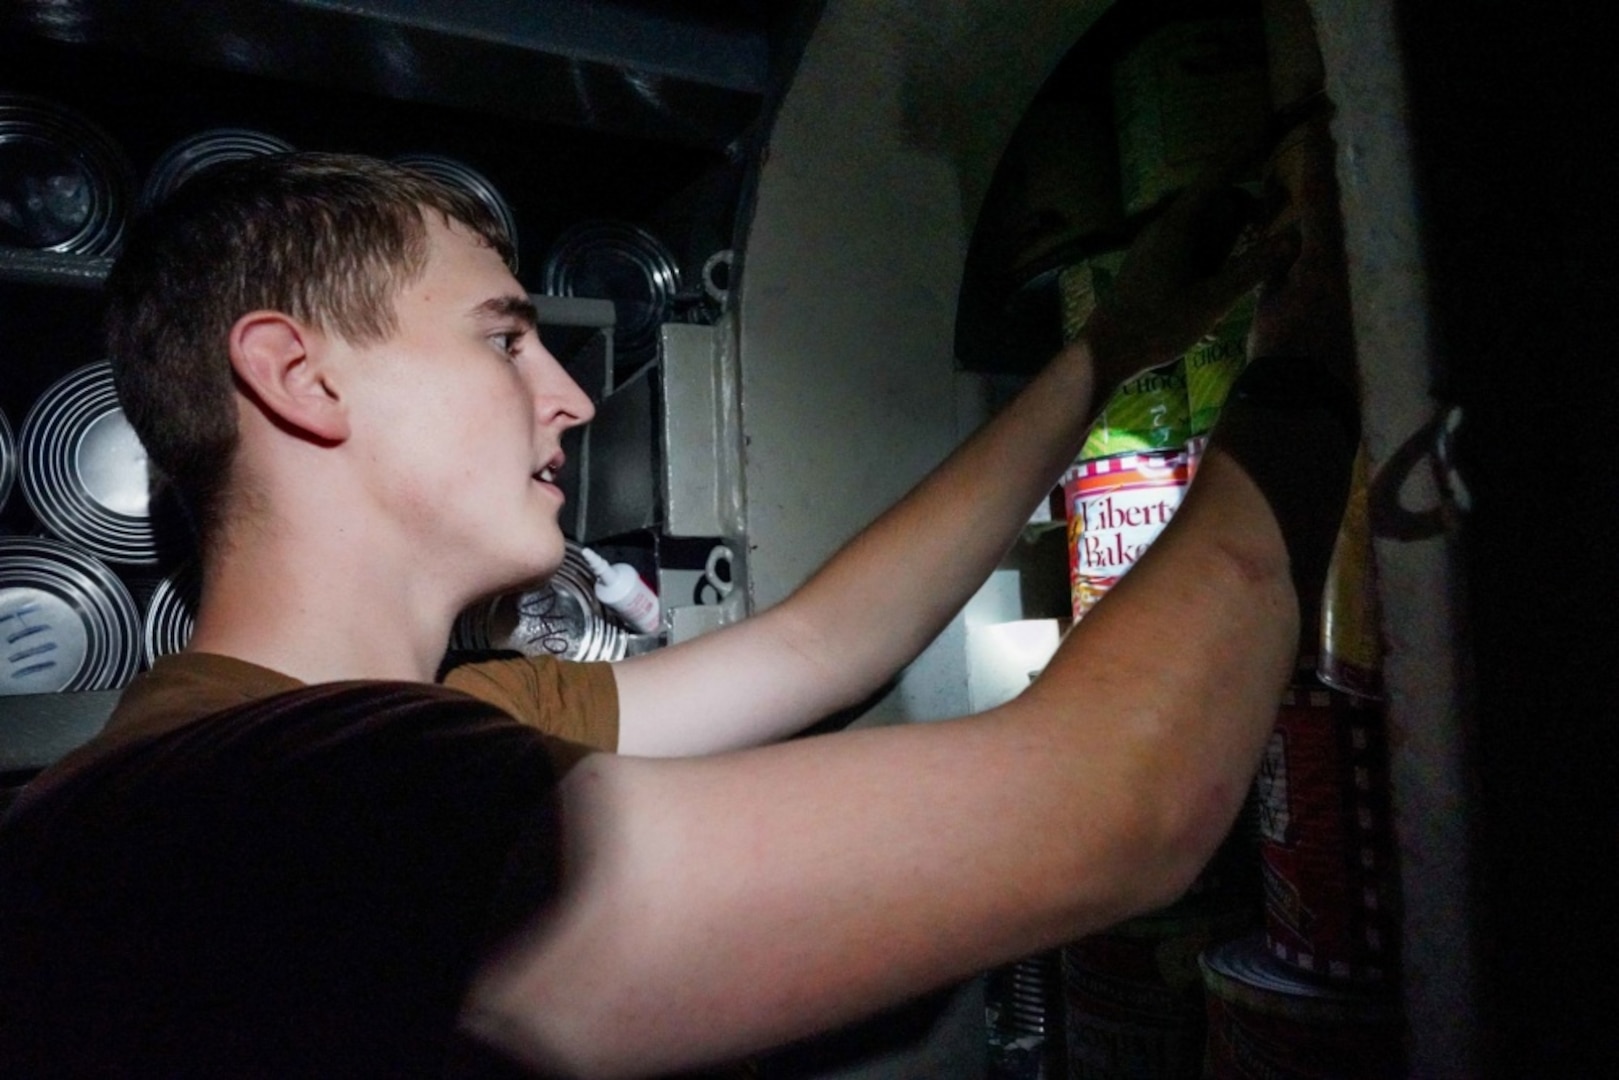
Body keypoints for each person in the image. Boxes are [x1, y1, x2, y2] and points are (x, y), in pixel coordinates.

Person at [0, 151, 1348, 1078]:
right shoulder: (257, 819)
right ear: (299, 377)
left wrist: (1113, 352)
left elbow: (828, 644)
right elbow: (1122, 806)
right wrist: (1316, 358)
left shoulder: (428, 731)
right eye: (500, 338)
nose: (571, 398)